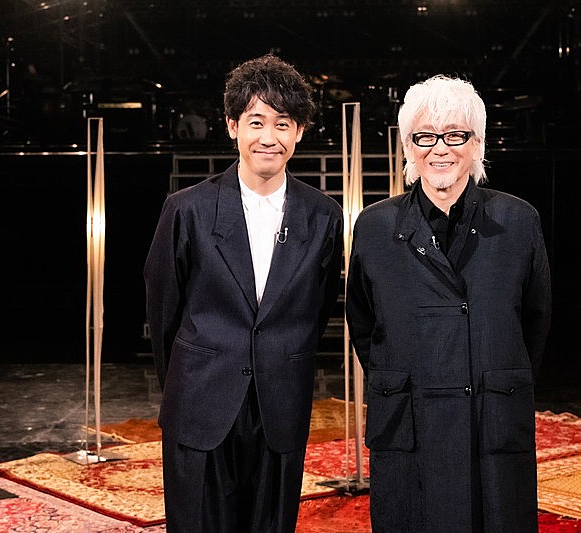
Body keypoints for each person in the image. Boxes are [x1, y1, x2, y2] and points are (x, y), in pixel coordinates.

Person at [144, 54, 343, 533]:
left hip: (281, 403)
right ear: (233, 126)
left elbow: (317, 311)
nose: (268, 137)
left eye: (283, 123)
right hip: (200, 400)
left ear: (300, 132)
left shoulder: (324, 215)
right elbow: (163, 309)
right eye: (256, 121)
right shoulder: (186, 210)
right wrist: (187, 379)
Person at [346, 75, 551, 532]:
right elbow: (363, 322)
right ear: (408, 146)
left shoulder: (518, 220)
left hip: (492, 418)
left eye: (455, 135)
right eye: (425, 136)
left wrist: (496, 375)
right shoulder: (374, 227)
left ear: (477, 143)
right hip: (409, 422)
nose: (440, 149)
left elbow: (535, 321)